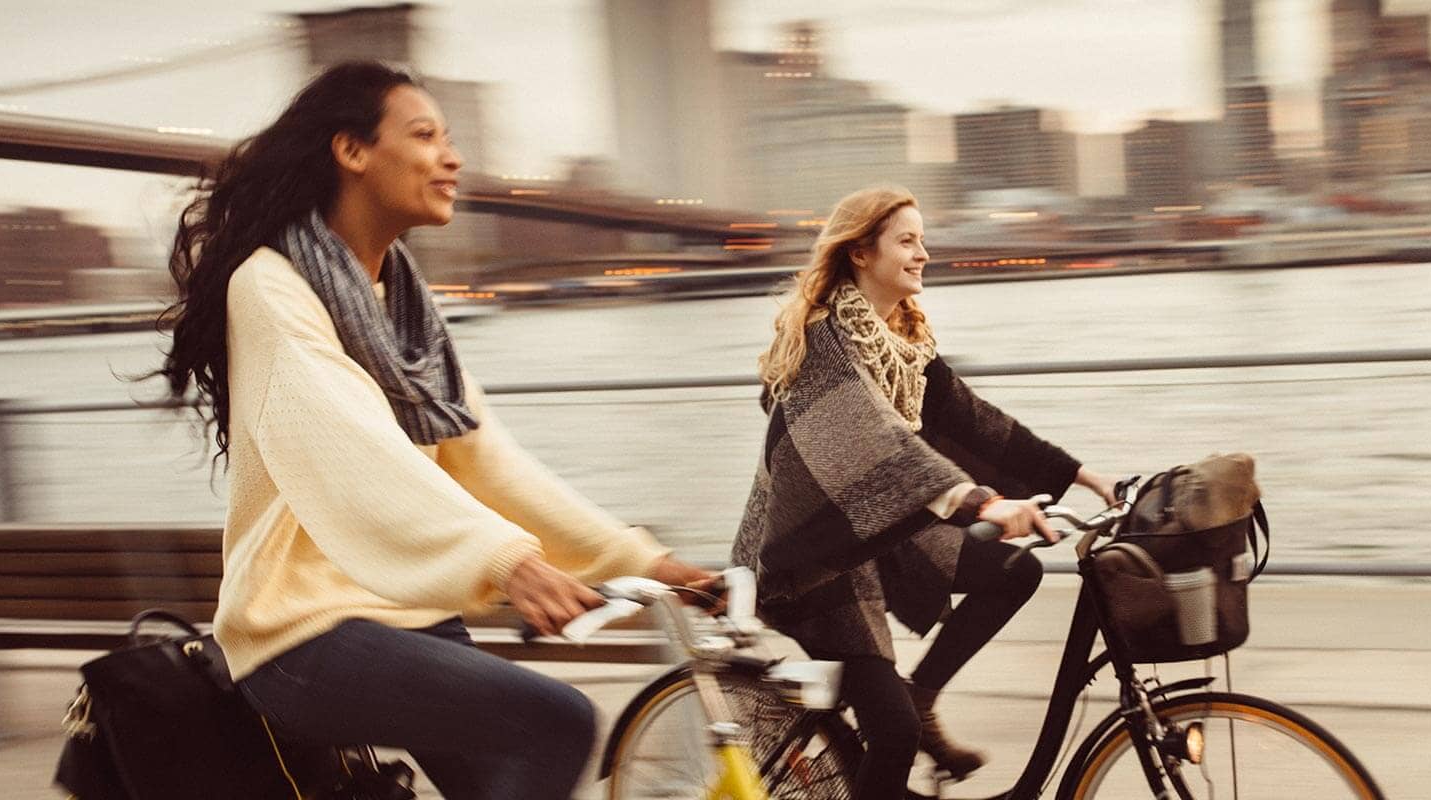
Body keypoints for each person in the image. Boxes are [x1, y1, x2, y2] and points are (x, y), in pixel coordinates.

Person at [146, 61, 711, 799]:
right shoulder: (270, 285)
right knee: (557, 721)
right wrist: (506, 561)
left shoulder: (403, 307)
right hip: (300, 632)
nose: (453, 156)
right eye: (424, 135)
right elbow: (354, 452)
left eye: (449, 138)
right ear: (352, 151)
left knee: (519, 762)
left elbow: (489, 465)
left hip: (410, 617)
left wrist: (643, 559)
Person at [732, 186, 1118, 795]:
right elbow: (880, 443)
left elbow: (976, 420)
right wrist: (983, 503)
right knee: (892, 733)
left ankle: (923, 691)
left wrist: (1081, 475)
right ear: (861, 252)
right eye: (906, 241)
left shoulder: (903, 344)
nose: (923, 254)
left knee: (1013, 571)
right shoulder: (826, 346)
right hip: (813, 560)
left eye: (922, 240)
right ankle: (904, 715)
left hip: (873, 539)